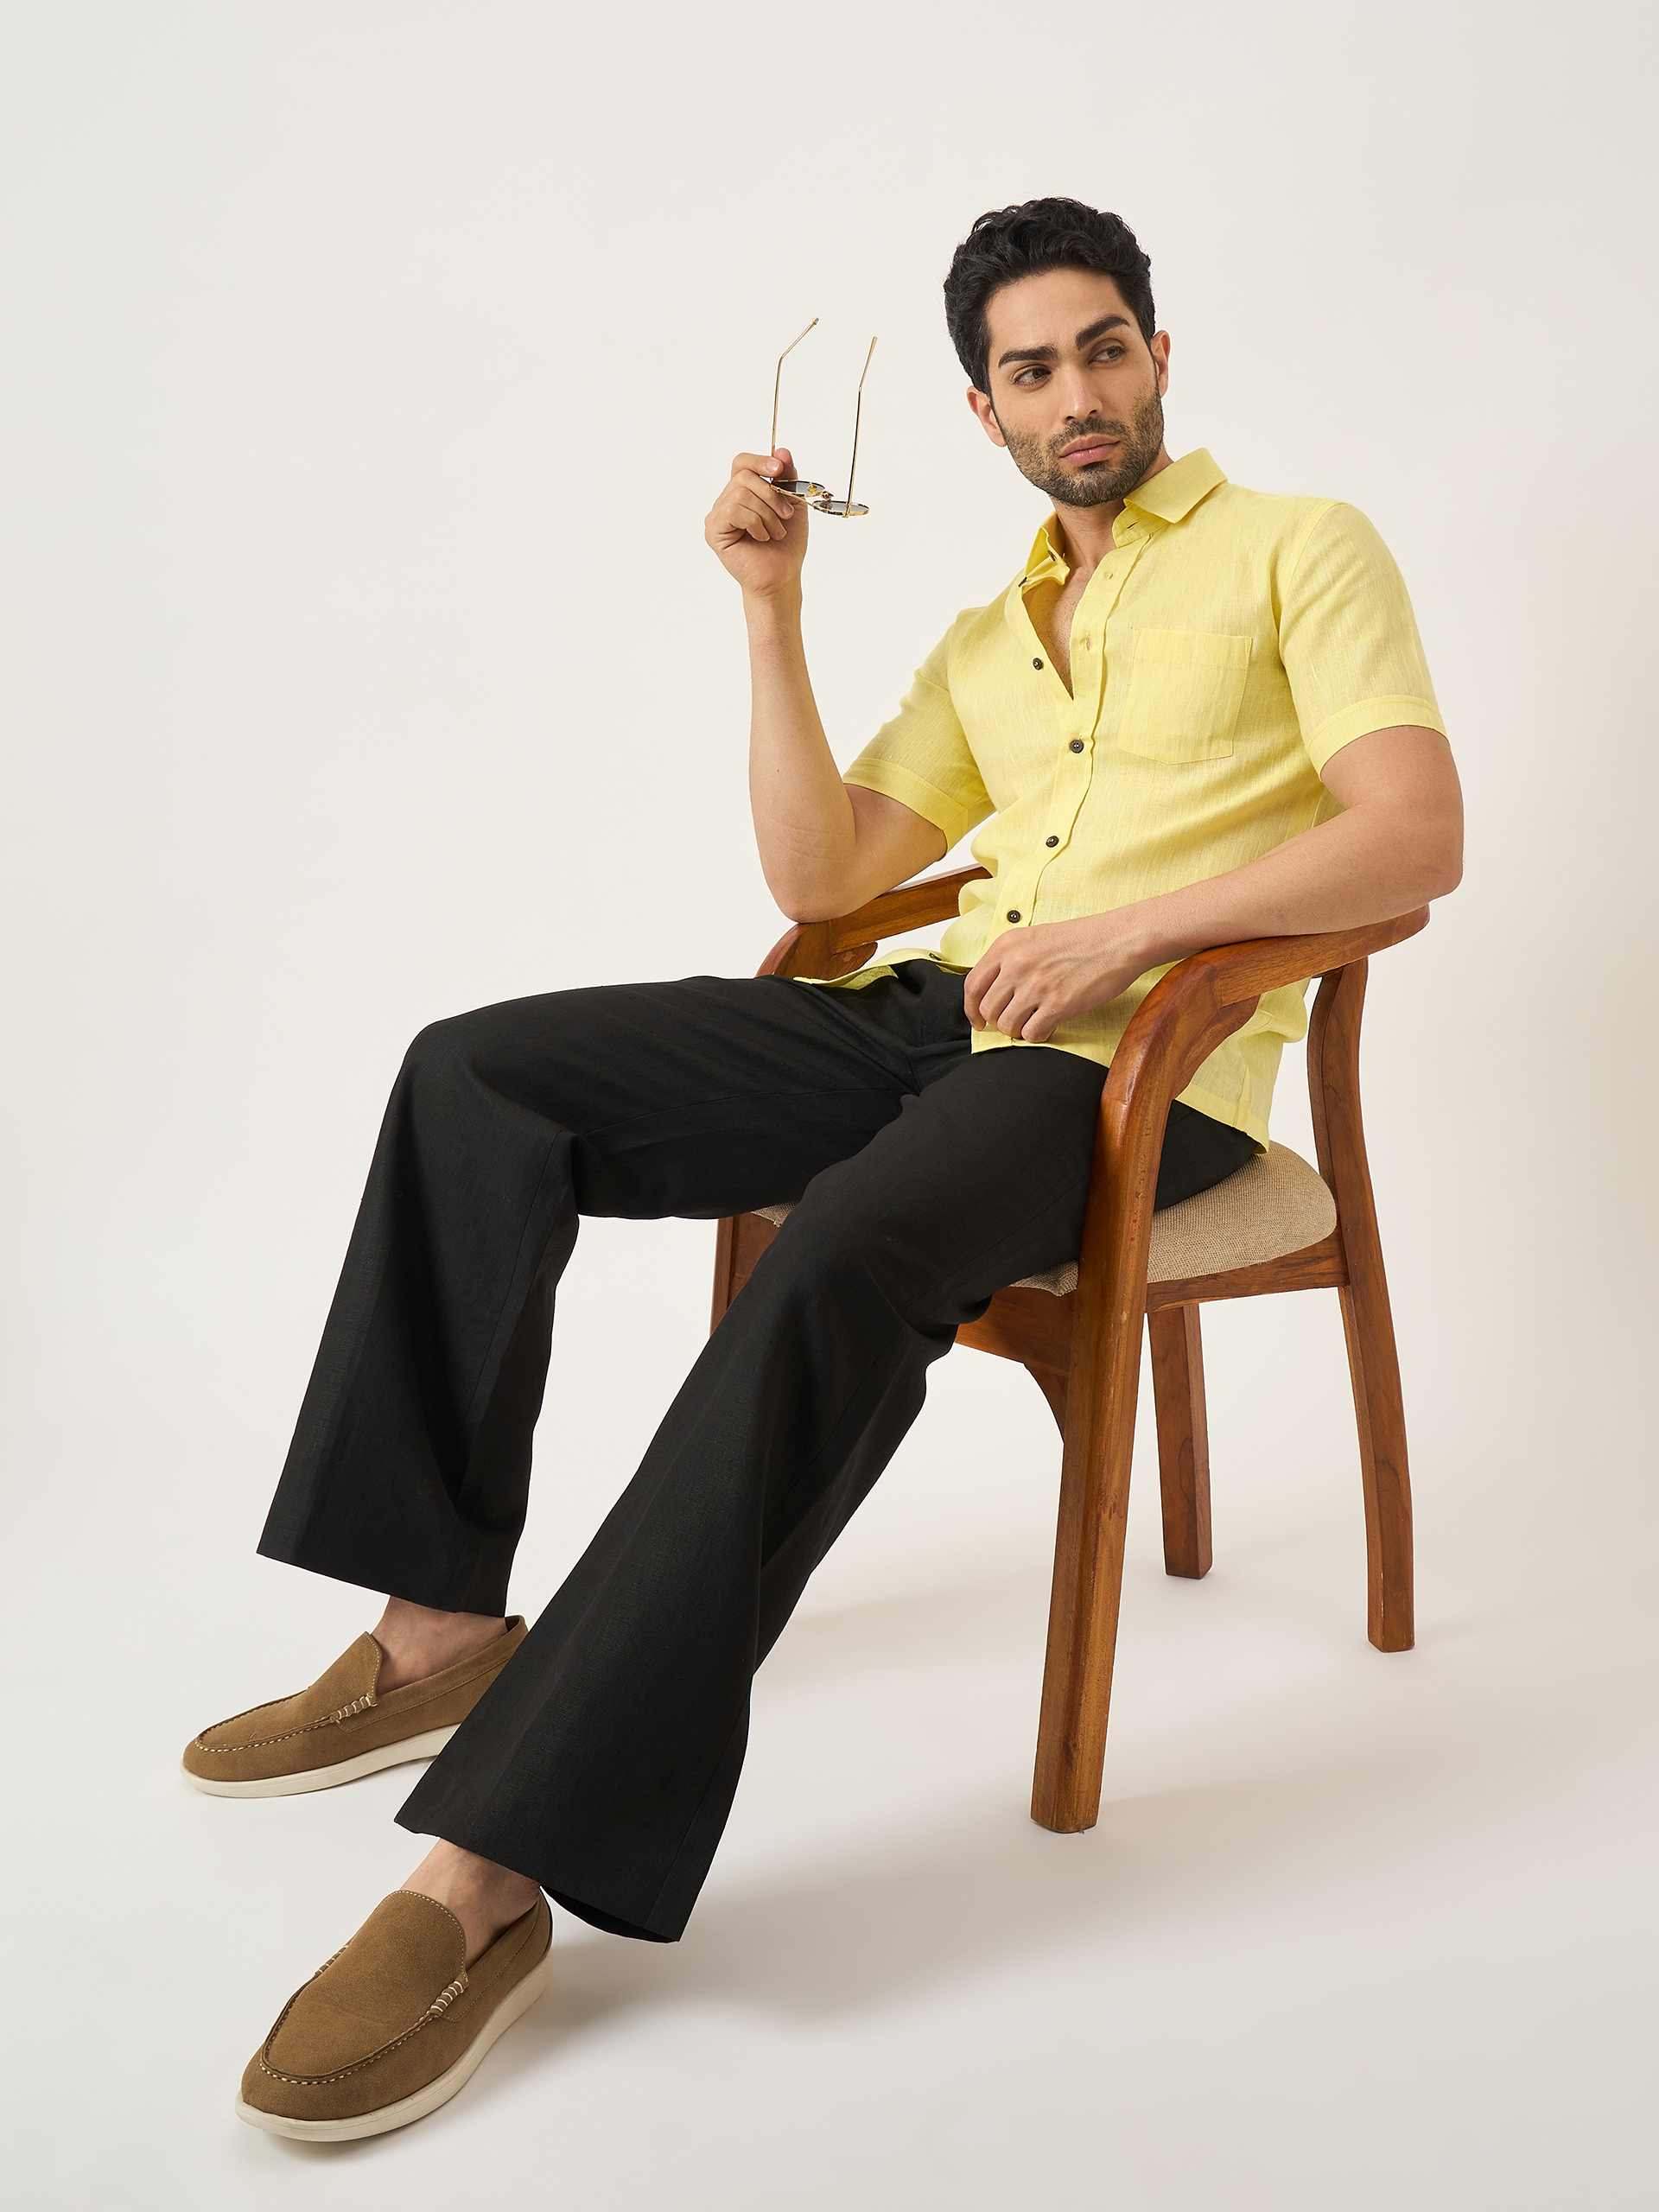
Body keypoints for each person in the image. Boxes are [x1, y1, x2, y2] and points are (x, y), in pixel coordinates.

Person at [187, 194, 1464, 2141]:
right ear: (985, 411)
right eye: (1032, 368)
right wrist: (772, 614)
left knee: (853, 1243)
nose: (1079, 390)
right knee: (479, 1078)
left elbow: (1412, 836)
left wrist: (1135, 934)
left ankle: (487, 1872)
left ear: (1161, 355)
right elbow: (823, 878)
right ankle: (443, 1627)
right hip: (930, 1013)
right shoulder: (994, 631)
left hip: (1136, 1068)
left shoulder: (1304, 551)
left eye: (1105, 345)